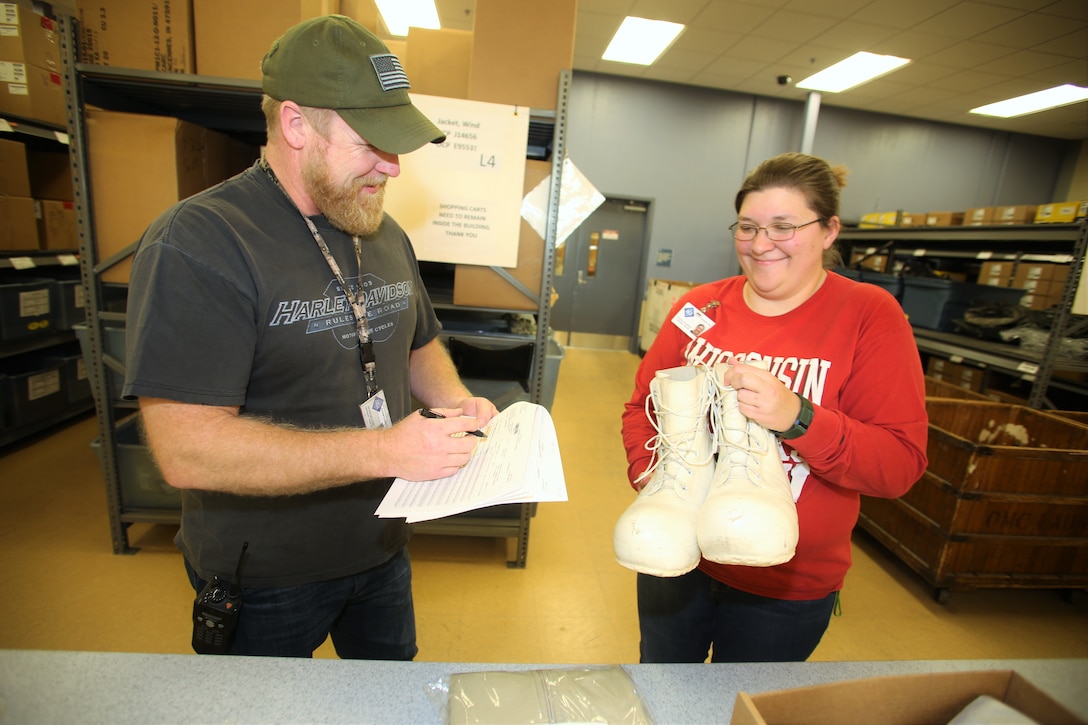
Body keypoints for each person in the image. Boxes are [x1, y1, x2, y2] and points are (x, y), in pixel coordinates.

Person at [122, 15, 497, 659]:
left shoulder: (380, 228)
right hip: (263, 575)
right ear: (296, 124)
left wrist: (454, 401)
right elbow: (188, 450)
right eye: (372, 143)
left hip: (382, 547)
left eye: (397, 144)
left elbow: (417, 341)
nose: (393, 168)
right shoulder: (201, 242)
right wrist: (384, 452)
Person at [619, 152, 928, 663]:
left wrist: (797, 417)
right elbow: (641, 409)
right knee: (663, 694)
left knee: (746, 709)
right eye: (747, 227)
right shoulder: (698, 307)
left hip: (787, 583)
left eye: (783, 227)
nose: (760, 245)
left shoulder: (869, 315)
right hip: (676, 562)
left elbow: (898, 464)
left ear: (829, 230)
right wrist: (658, 485)